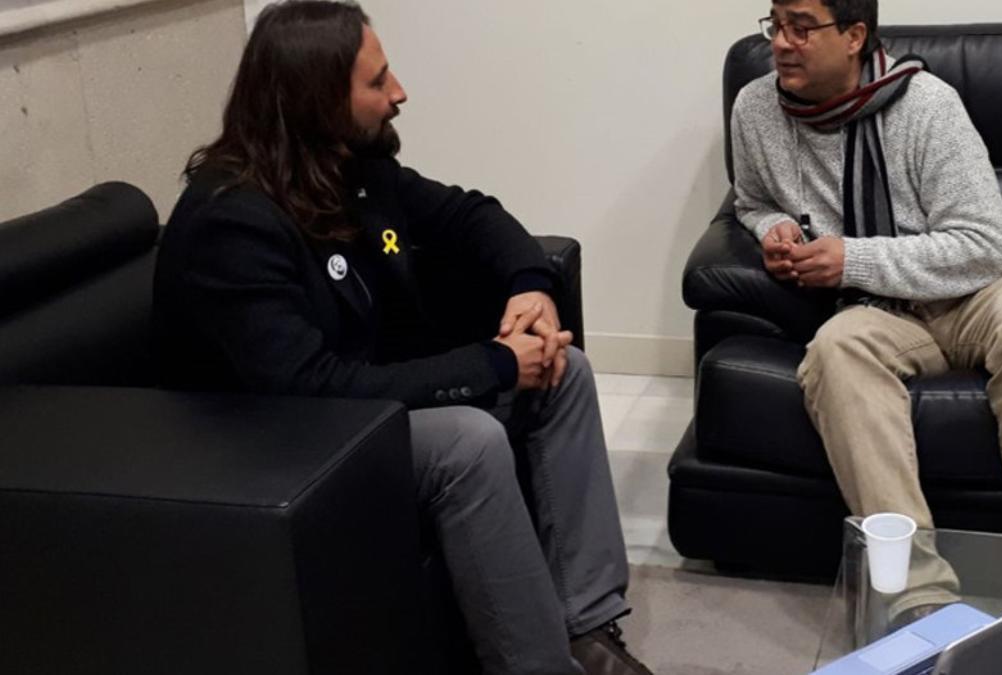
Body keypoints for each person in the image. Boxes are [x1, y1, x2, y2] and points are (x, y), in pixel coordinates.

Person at [152, 2, 652, 674]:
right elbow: (309, 384)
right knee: (467, 444)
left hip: (358, 409)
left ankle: (589, 630)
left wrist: (531, 284)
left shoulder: (352, 166)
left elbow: (471, 215)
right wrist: (494, 363)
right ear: (316, 97)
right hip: (278, 443)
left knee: (568, 373)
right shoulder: (233, 222)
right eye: (377, 81)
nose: (400, 93)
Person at [731, 0, 1002, 616]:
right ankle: (918, 601)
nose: (782, 42)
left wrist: (849, 259)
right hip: (884, 308)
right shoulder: (755, 108)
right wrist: (774, 230)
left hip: (984, 286)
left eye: (802, 26)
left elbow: (982, 244)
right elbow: (750, 200)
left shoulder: (926, 104)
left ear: (854, 35)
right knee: (835, 350)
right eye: (776, 24)